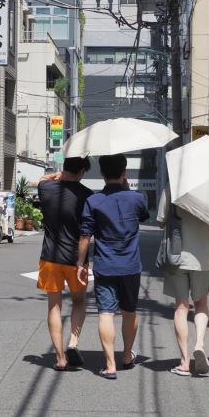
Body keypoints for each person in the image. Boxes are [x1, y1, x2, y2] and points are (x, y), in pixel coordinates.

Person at [77, 154, 149, 380]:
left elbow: (85, 235)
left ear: (102, 173)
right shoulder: (137, 198)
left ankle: (110, 365)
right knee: (130, 312)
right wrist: (126, 188)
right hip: (130, 265)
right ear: (124, 172)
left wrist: (80, 263)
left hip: (105, 265)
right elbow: (143, 217)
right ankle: (127, 356)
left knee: (106, 313)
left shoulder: (93, 201)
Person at [157, 186, 209, 376]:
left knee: (181, 307)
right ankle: (200, 345)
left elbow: (160, 222)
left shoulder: (172, 187)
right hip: (203, 258)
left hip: (176, 257)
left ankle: (185, 362)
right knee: (201, 303)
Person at [37, 157, 93, 371]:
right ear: (82, 171)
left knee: (54, 306)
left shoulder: (46, 188)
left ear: (64, 168)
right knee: (79, 301)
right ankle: (73, 343)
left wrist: (57, 175)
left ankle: (60, 358)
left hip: (50, 258)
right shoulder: (87, 195)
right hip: (77, 260)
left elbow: (43, 178)